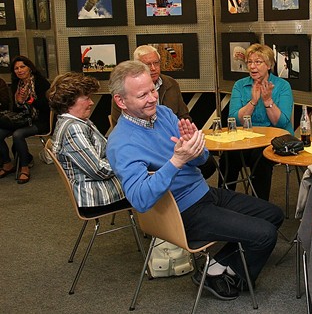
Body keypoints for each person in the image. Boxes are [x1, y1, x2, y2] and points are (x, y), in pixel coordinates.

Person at [106, 60, 283, 300]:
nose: (152, 98)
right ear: (121, 101)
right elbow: (140, 200)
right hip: (181, 211)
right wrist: (177, 161)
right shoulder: (122, 143)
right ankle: (223, 275)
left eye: (152, 90)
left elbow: (202, 160)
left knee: (274, 215)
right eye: (142, 95)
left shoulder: (164, 114)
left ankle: (215, 267)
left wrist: (195, 149)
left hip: (204, 193)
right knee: (265, 234)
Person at [111, 45, 216, 180]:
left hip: (176, 140)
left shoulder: (171, 84)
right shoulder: (125, 94)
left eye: (156, 63)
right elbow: (120, 124)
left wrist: (186, 137)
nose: (153, 68)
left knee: (208, 163)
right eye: (148, 64)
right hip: (150, 149)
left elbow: (184, 116)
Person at [48, 72, 129, 214]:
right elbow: (99, 170)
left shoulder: (76, 121)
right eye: (87, 98)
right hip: (97, 196)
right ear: (69, 100)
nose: (91, 102)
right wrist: (128, 161)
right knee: (154, 188)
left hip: (98, 190)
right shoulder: (73, 128)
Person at [224, 43, 293, 200]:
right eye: (249, 62)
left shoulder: (282, 86)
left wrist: (267, 101)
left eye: (258, 62)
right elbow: (234, 120)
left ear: (268, 65)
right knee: (228, 156)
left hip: (274, 140)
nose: (252, 66)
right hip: (246, 139)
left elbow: (281, 123)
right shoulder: (240, 85)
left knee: (261, 156)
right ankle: (224, 200)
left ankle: (260, 204)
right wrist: (253, 102)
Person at [0, 56, 51, 183]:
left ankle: (24, 167)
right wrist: (19, 101)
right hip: (22, 119)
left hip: (40, 120)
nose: (19, 70)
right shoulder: (16, 84)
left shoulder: (41, 83)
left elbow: (47, 107)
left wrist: (29, 100)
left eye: (22, 67)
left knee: (18, 135)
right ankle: (7, 163)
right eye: (16, 68)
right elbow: (15, 110)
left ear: (30, 68)